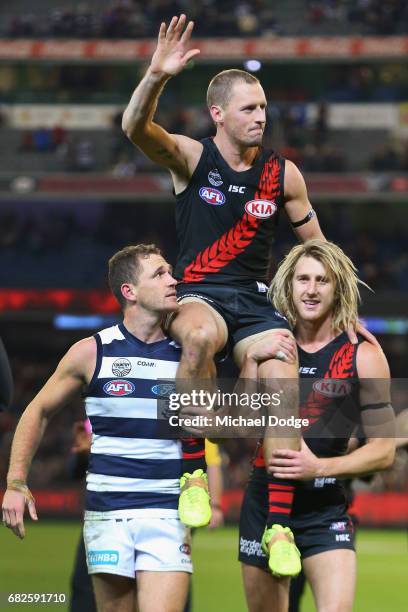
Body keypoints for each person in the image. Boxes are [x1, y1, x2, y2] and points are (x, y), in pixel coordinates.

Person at [122, 13, 325, 572]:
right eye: (249, 108)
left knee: (281, 371)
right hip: (201, 294)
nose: (262, 116)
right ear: (218, 113)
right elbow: (135, 128)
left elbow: (317, 251)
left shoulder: (284, 175)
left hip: (257, 301)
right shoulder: (192, 158)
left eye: (264, 108)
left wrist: (336, 310)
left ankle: (279, 525)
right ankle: (194, 470)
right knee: (197, 339)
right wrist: (156, 76)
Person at [2, 244, 194, 612]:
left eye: (170, 271)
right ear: (129, 291)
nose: (174, 280)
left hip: (168, 512)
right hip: (108, 514)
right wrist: (16, 482)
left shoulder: (190, 351)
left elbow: (225, 420)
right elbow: (37, 410)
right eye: (160, 274)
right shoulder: (92, 352)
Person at [238, 239, 396, 612]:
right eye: (303, 279)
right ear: (288, 286)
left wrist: (320, 467)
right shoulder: (266, 345)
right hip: (265, 504)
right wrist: (248, 363)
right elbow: (242, 427)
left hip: (325, 507)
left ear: (337, 287)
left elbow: (384, 450)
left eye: (322, 281)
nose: (311, 290)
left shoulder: (364, 354)